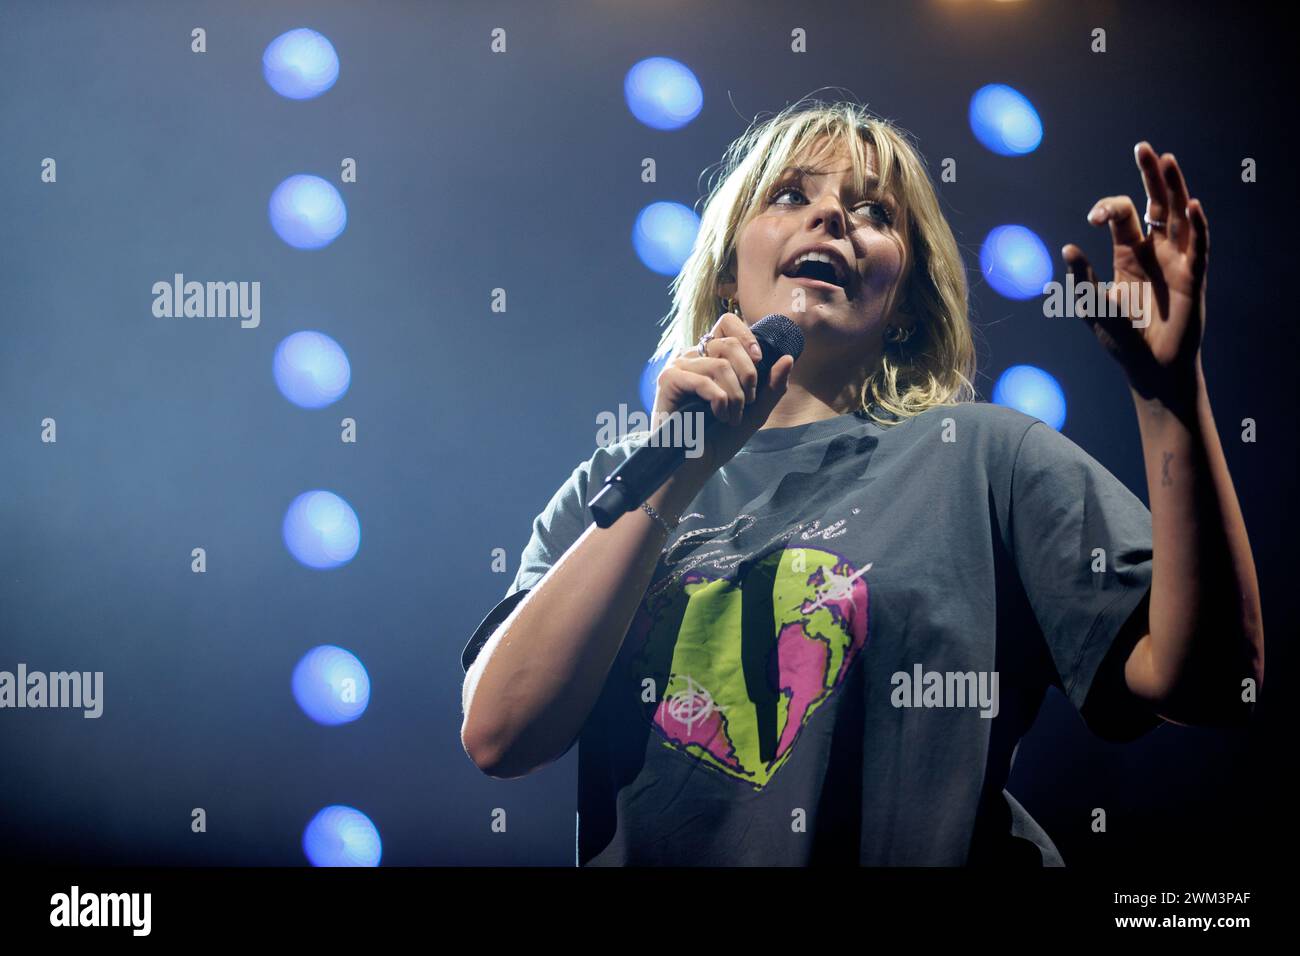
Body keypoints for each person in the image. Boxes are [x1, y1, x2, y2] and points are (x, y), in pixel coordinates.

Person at [459, 99, 1264, 866]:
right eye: (789, 194)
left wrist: (1170, 398)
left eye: (876, 211)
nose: (834, 216)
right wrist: (679, 472)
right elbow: (501, 735)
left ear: (905, 303)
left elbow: (1214, 684)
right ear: (729, 274)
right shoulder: (618, 481)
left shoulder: (986, 458)